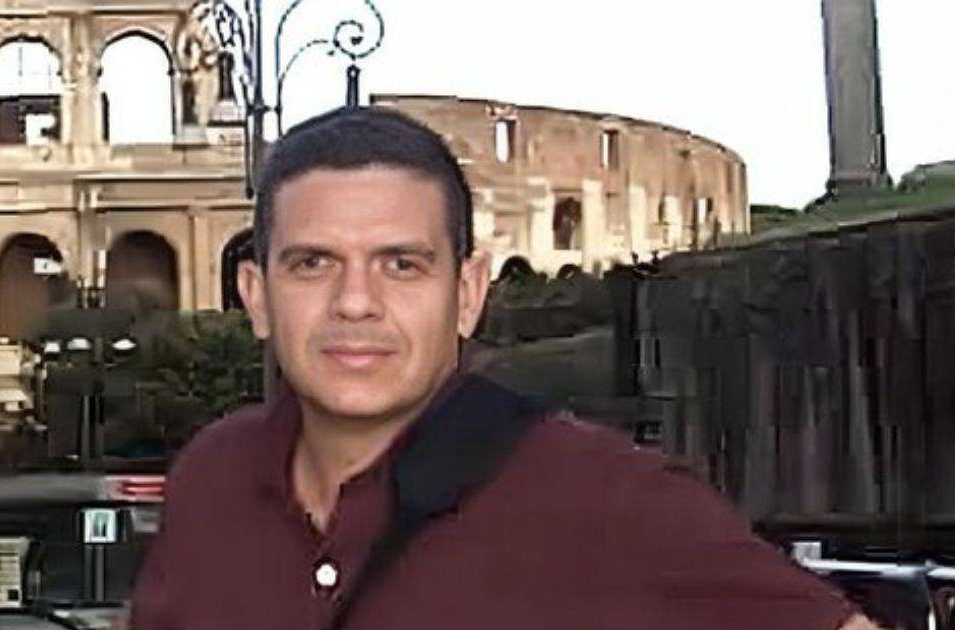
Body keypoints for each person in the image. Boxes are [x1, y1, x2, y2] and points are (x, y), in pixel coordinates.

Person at [131, 107, 877, 629]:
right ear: (257, 298)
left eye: (402, 264)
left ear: (467, 294)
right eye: (313, 263)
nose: (355, 302)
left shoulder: (605, 499)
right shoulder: (213, 478)